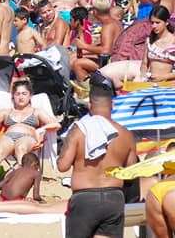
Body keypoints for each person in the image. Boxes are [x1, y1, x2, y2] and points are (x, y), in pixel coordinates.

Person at [58, 78, 136, 238]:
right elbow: (131, 170)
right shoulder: (126, 134)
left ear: (90, 105)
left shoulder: (79, 131)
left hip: (85, 197)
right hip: (114, 197)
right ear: (112, 105)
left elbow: (62, 166)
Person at [0, 81, 59, 185]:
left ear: (30, 96)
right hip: (9, 136)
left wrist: (41, 129)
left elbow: (56, 124)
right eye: (17, 94)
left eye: (24, 94)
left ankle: (17, 183)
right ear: (13, 97)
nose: (21, 97)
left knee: (21, 149)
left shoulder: (36, 111)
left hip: (28, 137)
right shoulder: (7, 112)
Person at [70, 0, 121, 82]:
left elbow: (106, 50)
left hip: (110, 62)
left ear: (95, 11)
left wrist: (84, 46)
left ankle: (88, 91)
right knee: (74, 56)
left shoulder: (107, 26)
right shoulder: (114, 22)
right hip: (112, 58)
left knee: (77, 63)